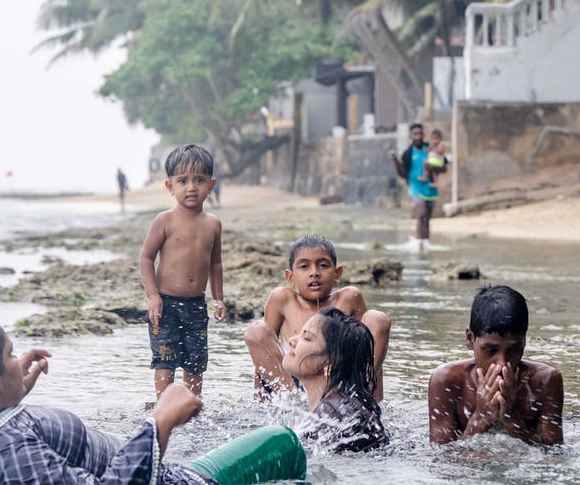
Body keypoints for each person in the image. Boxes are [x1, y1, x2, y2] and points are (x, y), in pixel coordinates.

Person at [0, 313, 306, 484]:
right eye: (8, 356)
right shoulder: (13, 449)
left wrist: (11, 390)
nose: (17, 361)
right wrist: (160, 422)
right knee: (282, 441)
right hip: (171, 482)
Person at [243, 234, 392, 402]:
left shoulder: (349, 298)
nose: (314, 273)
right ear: (290, 277)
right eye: (304, 266)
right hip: (293, 385)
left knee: (377, 318)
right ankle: (295, 406)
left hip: (340, 383)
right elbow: (265, 354)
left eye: (323, 265)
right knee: (256, 331)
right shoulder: (282, 299)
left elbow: (369, 349)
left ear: (337, 273)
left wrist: (376, 398)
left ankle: (361, 397)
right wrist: (260, 399)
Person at [427, 285, 564, 446]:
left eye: (514, 350)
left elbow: (553, 458)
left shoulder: (545, 381)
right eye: (491, 350)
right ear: (470, 339)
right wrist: (481, 416)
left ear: (525, 342)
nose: (502, 363)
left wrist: (510, 415)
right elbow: (441, 460)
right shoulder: (446, 380)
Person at [140, 144, 226, 398]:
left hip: (197, 306)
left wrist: (218, 298)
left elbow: (215, 264)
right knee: (164, 359)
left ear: (211, 185)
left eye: (199, 180)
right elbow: (146, 258)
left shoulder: (213, 224)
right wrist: (153, 296)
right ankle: (163, 408)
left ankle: (191, 406)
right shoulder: (164, 220)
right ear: (170, 186)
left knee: (196, 361)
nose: (191, 187)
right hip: (165, 306)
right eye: (183, 180)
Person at [282, 308, 388, 453]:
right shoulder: (338, 405)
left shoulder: (331, 415)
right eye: (299, 334)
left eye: (307, 338)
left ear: (331, 360)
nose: (292, 341)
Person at [392, 122, 443, 246]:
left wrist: (434, 166)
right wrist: (396, 162)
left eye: (420, 134)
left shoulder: (430, 148)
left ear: (423, 134)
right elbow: (403, 173)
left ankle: (426, 243)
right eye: (415, 134)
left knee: (427, 218)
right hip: (416, 188)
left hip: (430, 188)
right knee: (421, 214)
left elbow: (442, 166)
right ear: (411, 136)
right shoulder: (408, 154)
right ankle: (420, 242)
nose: (418, 137)